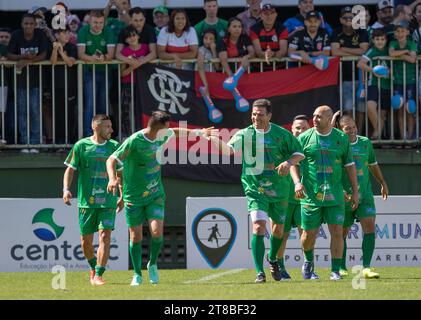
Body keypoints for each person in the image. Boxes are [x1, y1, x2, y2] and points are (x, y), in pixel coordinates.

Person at [106, 111, 215, 286]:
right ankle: (137, 274)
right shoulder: (135, 141)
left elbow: (177, 131)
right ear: (159, 127)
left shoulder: (162, 135)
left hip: (155, 194)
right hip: (133, 196)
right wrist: (112, 178)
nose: (169, 129)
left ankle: (153, 264)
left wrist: (198, 133)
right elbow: (111, 160)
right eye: (167, 126)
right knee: (135, 237)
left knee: (157, 233)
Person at [208, 99, 305, 283]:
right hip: (255, 189)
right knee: (259, 226)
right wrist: (213, 139)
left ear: (269, 115)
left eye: (260, 115)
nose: (256, 118)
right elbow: (228, 151)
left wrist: (288, 162)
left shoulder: (282, 134)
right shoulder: (245, 134)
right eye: (253, 114)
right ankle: (260, 272)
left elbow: (299, 153)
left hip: (279, 189)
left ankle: (273, 258)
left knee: (278, 231)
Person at [291, 105, 359, 281]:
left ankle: (335, 271)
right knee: (308, 235)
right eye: (314, 115)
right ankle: (307, 262)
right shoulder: (304, 138)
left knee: (337, 232)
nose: (314, 119)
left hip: (335, 196)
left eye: (319, 117)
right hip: (310, 197)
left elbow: (350, 167)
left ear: (329, 119)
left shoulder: (341, 138)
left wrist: (355, 191)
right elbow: (293, 163)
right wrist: (297, 183)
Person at [63, 114, 123, 286]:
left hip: (108, 201)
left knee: (105, 235)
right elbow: (70, 170)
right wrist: (66, 189)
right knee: (85, 241)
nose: (111, 130)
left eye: (111, 126)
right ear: (96, 127)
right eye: (108, 127)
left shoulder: (114, 146)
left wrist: (122, 195)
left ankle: (98, 275)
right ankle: (92, 267)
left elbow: (120, 174)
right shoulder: (81, 146)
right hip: (86, 202)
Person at [333, 114, 389, 279]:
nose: (351, 130)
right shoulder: (338, 145)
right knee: (342, 232)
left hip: (365, 195)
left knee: (370, 226)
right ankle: (341, 267)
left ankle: (366, 267)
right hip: (345, 197)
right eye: (347, 128)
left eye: (353, 127)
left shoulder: (365, 143)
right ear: (340, 130)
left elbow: (372, 165)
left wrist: (382, 182)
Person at [8, 13, 49, 153]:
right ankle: (25, 143)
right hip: (19, 82)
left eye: (31, 23)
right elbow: (9, 55)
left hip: (36, 81)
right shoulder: (16, 35)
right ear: (22, 24)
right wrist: (23, 57)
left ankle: (35, 143)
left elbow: (44, 54)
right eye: (26, 23)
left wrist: (28, 61)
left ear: (35, 24)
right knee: (22, 112)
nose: (29, 26)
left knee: (35, 112)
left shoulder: (40, 35)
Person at [275, 114, 309, 280]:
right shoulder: (283, 145)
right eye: (298, 128)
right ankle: (279, 266)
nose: (301, 131)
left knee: (307, 234)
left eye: (304, 128)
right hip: (285, 198)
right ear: (291, 129)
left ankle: (308, 268)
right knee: (283, 235)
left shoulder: (313, 146)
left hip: (306, 198)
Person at [77, 10, 116, 136]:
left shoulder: (109, 31)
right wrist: (93, 59)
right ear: (89, 21)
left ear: (104, 22)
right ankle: (89, 134)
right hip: (89, 71)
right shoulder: (83, 31)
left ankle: (104, 134)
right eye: (95, 22)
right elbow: (81, 53)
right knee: (89, 103)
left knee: (103, 104)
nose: (97, 25)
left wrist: (103, 58)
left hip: (105, 71)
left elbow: (110, 54)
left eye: (100, 22)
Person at [331, 6, 369, 131]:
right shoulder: (336, 32)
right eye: (345, 17)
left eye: (351, 18)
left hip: (362, 78)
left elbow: (363, 50)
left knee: (361, 108)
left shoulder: (362, 31)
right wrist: (355, 53)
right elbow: (335, 52)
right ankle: (349, 134)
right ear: (341, 20)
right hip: (343, 77)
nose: (348, 20)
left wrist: (343, 49)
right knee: (347, 108)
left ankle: (360, 133)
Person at [357, 28, 391, 140]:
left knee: (382, 114)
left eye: (382, 39)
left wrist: (389, 72)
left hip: (386, 85)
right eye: (377, 39)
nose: (380, 41)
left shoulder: (389, 51)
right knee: (370, 106)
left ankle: (379, 137)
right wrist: (373, 70)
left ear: (386, 40)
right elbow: (360, 64)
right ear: (373, 40)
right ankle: (378, 130)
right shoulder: (372, 51)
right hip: (373, 84)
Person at [389, 21, 417, 140]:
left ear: (407, 32)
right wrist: (405, 52)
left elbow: (413, 59)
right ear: (395, 33)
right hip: (397, 81)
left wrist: (399, 55)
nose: (400, 33)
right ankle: (402, 138)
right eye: (398, 31)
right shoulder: (393, 43)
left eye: (403, 31)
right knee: (399, 108)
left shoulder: (412, 43)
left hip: (410, 80)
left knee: (410, 108)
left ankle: (410, 138)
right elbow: (391, 53)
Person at [50, 27, 78, 145]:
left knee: (70, 113)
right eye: (63, 33)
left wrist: (62, 52)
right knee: (58, 113)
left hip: (70, 85)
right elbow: (53, 62)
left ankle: (69, 139)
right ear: (57, 35)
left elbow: (70, 62)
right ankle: (59, 140)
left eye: (68, 33)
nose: (67, 35)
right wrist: (56, 50)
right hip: (56, 85)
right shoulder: (52, 46)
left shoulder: (71, 47)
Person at [118, 26, 146, 139]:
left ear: (138, 36)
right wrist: (133, 66)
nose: (132, 38)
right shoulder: (124, 52)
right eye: (129, 37)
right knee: (126, 110)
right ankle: (127, 135)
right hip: (128, 83)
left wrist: (138, 62)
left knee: (141, 109)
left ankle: (142, 133)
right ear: (125, 40)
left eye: (134, 35)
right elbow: (122, 73)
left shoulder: (145, 48)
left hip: (143, 84)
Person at [250, 4, 288, 70]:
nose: (269, 16)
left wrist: (273, 54)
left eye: (272, 13)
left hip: (279, 68)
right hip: (259, 68)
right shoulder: (254, 29)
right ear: (261, 16)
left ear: (276, 15)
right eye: (266, 14)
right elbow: (258, 52)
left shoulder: (282, 28)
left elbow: (283, 51)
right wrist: (266, 55)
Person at [197, 28, 220, 97]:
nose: (208, 41)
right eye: (206, 38)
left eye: (211, 39)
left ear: (215, 40)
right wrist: (205, 84)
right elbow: (200, 67)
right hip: (202, 78)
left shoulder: (217, 50)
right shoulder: (201, 50)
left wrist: (213, 51)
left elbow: (217, 67)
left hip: (212, 78)